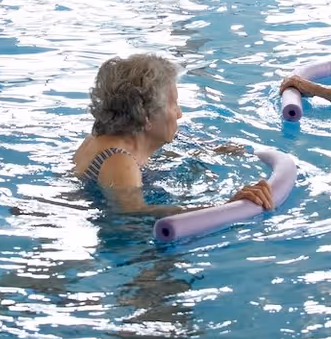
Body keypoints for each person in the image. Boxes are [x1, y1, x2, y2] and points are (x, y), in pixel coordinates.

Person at [73, 54, 275, 218]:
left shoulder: (101, 137)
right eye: (173, 104)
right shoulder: (119, 162)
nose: (179, 113)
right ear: (146, 117)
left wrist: (211, 151)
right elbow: (136, 217)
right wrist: (224, 207)